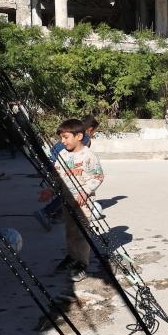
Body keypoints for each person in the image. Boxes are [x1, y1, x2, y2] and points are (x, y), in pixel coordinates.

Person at [38, 119, 105, 283]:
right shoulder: (62, 155)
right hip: (67, 201)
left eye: (66, 137)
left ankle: (81, 263)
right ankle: (71, 256)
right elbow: (57, 177)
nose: (63, 141)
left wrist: (85, 191)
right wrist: (50, 190)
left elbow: (98, 176)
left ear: (79, 136)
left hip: (84, 203)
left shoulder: (89, 156)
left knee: (82, 233)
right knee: (70, 230)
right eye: (61, 137)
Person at [34, 115, 99, 230]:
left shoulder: (71, 132)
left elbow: (54, 150)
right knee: (70, 192)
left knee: (64, 191)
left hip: (53, 161)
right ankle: (46, 212)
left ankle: (57, 214)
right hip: (62, 165)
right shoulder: (85, 138)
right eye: (94, 131)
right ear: (90, 129)